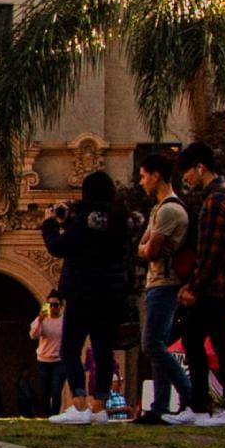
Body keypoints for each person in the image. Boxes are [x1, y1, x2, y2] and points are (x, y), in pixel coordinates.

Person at [41, 167, 131, 418]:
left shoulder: (84, 220)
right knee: (103, 350)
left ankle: (79, 402)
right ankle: (100, 405)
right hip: (110, 295)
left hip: (82, 293)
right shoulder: (118, 220)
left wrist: (50, 224)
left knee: (70, 348)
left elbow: (60, 246)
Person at [177, 138, 225, 416]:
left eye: (187, 171)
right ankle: (218, 405)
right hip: (222, 285)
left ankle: (214, 406)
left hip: (213, 288)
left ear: (200, 167)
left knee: (200, 343)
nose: (185, 177)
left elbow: (210, 251)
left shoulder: (215, 201)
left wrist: (194, 286)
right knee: (216, 344)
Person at [131, 144, 197, 425]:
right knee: (156, 344)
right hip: (157, 283)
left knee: (152, 344)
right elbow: (142, 246)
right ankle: (158, 406)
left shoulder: (169, 211)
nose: (141, 181)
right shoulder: (160, 209)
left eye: (144, 175)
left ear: (156, 176)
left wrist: (146, 248)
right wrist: (145, 248)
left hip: (164, 283)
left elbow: (151, 250)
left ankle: (190, 396)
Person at [29, 294, 66, 416]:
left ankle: (55, 415)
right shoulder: (42, 319)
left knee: (56, 390)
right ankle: (46, 415)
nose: (53, 308)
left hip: (59, 360)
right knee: (43, 392)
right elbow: (33, 335)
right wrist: (40, 320)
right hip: (43, 360)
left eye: (56, 305)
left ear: (61, 306)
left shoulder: (65, 321)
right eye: (50, 305)